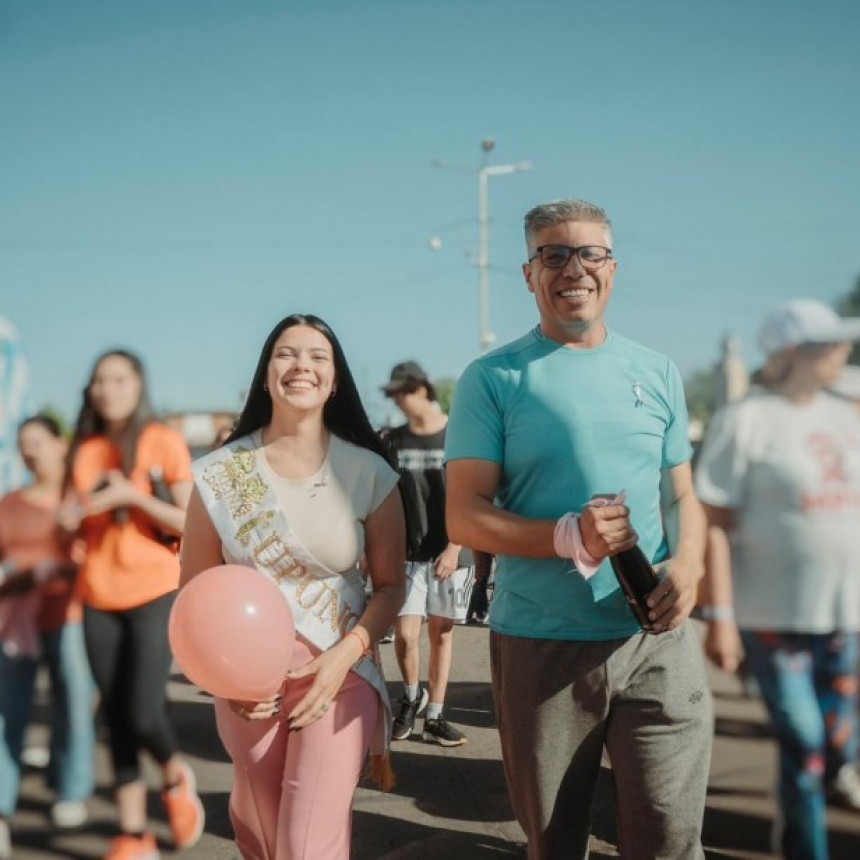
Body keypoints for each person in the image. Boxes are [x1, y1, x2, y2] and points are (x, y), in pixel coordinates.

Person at [445, 198, 712, 859]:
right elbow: (465, 511)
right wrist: (568, 536)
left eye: (590, 252)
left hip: (656, 640)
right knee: (558, 844)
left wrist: (690, 565)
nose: (574, 268)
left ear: (613, 268)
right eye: (554, 254)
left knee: (670, 839)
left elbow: (682, 494)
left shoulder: (657, 371)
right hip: (543, 642)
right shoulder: (492, 379)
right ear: (529, 272)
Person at [180, 313, 406, 860]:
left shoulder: (369, 472)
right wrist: (226, 682)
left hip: (339, 672)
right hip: (244, 686)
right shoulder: (219, 475)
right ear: (265, 375)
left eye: (317, 356)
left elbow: (391, 586)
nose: (300, 365)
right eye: (286, 353)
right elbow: (193, 591)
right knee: (259, 833)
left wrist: (344, 657)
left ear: (334, 380)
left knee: (307, 845)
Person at [695, 299, 860, 860]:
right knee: (806, 747)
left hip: (849, 619)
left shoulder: (846, 413)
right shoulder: (744, 421)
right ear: (792, 354)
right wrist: (718, 617)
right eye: (830, 345)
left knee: (841, 745)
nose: (843, 352)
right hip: (773, 619)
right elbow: (714, 525)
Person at [59, 350, 204, 860]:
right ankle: (132, 832)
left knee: (142, 711)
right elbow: (74, 520)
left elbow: (189, 522)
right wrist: (70, 517)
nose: (107, 388)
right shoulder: (83, 447)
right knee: (116, 717)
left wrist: (131, 497)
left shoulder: (161, 440)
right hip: (97, 594)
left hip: (153, 590)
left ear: (138, 385)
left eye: (118, 378)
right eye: (99, 379)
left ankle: (173, 777)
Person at [0, 416, 95, 859]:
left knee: (73, 699)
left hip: (68, 613)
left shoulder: (81, 499)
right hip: (14, 622)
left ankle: (71, 788)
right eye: (23, 444)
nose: (30, 451)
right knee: (7, 712)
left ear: (61, 445)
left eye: (38, 442)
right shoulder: (9, 503)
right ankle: (2, 805)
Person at [381, 361, 472, 747]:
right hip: (407, 553)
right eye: (395, 395)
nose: (400, 401)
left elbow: (471, 497)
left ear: (423, 389)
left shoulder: (460, 434)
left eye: (404, 392)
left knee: (442, 634)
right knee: (405, 633)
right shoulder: (392, 440)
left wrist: (454, 547)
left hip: (450, 553)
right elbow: (383, 498)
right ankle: (411, 696)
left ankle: (435, 715)